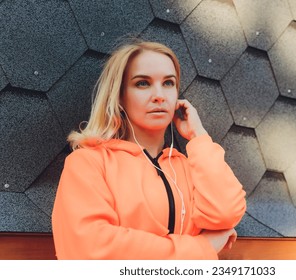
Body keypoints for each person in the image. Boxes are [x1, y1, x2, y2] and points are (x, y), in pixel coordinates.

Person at [51, 40, 246, 259]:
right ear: (120, 96)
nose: (159, 95)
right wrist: (202, 247)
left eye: (168, 83)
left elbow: (226, 214)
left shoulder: (191, 166)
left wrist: (198, 136)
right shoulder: (88, 162)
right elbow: (90, 249)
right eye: (142, 83)